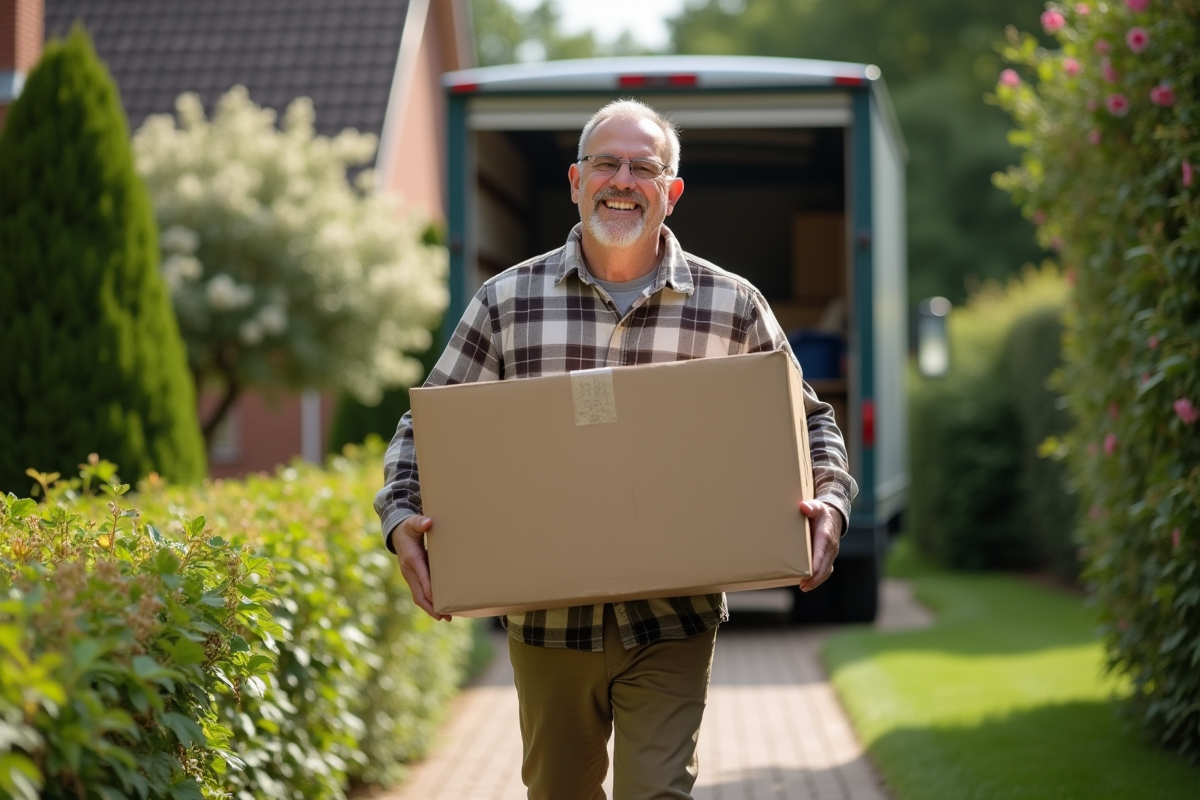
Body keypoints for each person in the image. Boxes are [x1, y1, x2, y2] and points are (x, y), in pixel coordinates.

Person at [375, 98, 857, 800]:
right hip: (546, 623)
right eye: (606, 164)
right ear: (577, 181)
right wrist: (400, 519)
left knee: (656, 790)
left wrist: (831, 504)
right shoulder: (506, 303)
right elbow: (424, 432)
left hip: (674, 619)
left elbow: (811, 424)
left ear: (672, 191)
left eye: (643, 167)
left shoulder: (732, 305)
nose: (623, 181)